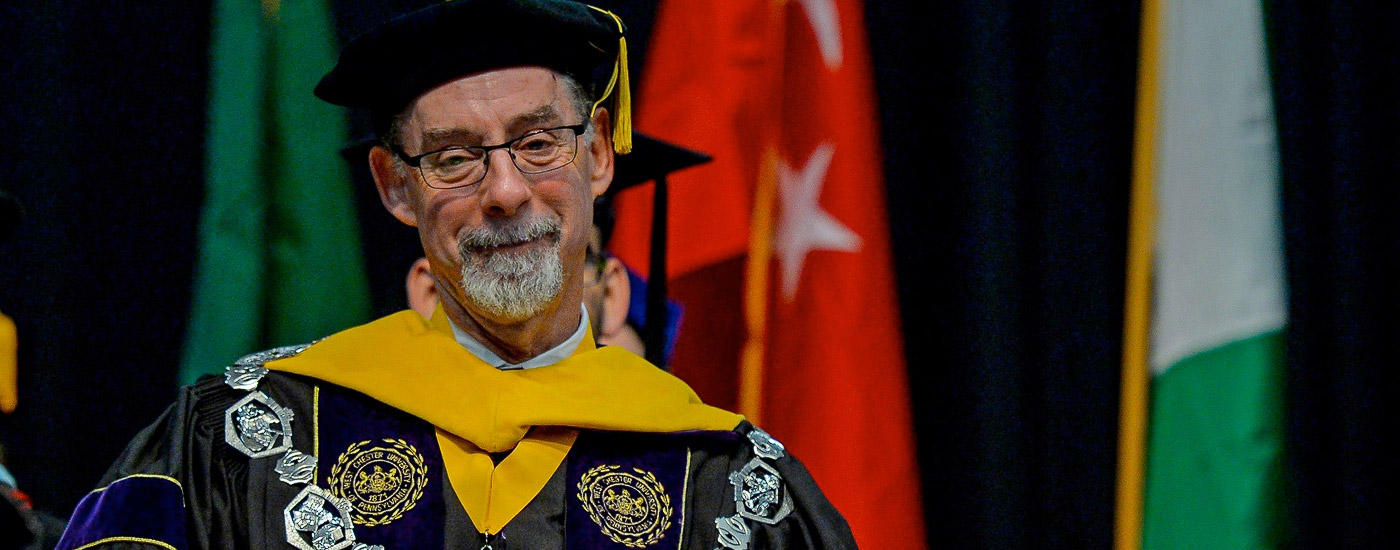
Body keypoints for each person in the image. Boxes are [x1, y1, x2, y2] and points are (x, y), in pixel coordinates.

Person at [54, 1, 855, 548]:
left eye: (539, 142)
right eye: (454, 158)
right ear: (394, 185)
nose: (505, 192)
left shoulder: (734, 487)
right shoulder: (240, 442)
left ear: (600, 152)